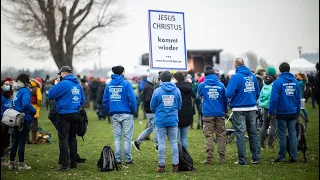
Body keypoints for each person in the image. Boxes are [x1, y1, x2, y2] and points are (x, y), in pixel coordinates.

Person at [48, 66, 86, 171]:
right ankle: (73, 162)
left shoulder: (62, 84)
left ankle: (65, 165)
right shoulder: (77, 84)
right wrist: (76, 106)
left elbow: (51, 95)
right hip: (75, 113)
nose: (60, 75)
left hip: (63, 114)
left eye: (60, 73)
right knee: (72, 138)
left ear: (64, 73)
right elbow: (83, 100)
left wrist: (55, 85)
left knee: (63, 139)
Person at [226, 58, 261, 165]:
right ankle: (256, 158)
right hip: (252, 108)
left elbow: (228, 93)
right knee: (253, 133)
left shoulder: (236, 77)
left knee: (240, 134)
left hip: (239, 109)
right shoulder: (252, 76)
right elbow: (257, 92)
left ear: (236, 66)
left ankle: (242, 160)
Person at [103, 66, 137, 165]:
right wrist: (133, 111)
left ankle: (117, 159)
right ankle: (128, 159)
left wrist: (110, 111)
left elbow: (105, 101)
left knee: (117, 137)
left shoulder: (109, 85)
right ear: (122, 73)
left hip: (115, 114)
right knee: (127, 137)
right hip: (127, 113)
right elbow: (132, 99)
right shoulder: (126, 84)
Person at [150, 71, 182, 173]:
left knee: (161, 143)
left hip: (161, 120)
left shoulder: (157, 91)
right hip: (173, 120)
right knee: (174, 143)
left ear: (161, 79)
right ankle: (175, 165)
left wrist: (159, 112)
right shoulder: (176, 90)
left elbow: (152, 106)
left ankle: (161, 166)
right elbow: (179, 105)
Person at [269, 62, 300, 163]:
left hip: (281, 113)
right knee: (293, 135)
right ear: (289, 69)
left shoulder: (278, 82)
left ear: (280, 70)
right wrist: (298, 112)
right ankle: (294, 156)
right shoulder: (295, 82)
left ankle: (281, 156)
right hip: (292, 112)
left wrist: (271, 111)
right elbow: (298, 99)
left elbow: (274, 99)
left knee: (282, 135)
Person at [198, 66, 228, 165]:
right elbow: (225, 99)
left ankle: (209, 158)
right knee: (221, 135)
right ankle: (222, 158)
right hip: (219, 113)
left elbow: (199, 96)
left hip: (207, 113)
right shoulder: (221, 85)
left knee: (208, 136)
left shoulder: (202, 85)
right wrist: (225, 109)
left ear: (205, 74)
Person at [9, 73, 37, 171]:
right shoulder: (25, 90)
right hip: (24, 118)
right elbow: (26, 104)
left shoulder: (16, 90)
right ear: (25, 80)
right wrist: (33, 110)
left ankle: (11, 163)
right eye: (28, 79)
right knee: (21, 142)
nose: (29, 81)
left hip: (15, 117)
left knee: (14, 142)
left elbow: (13, 103)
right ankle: (21, 164)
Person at [132, 72, 159, 151]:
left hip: (148, 110)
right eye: (156, 78)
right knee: (156, 128)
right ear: (153, 78)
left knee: (150, 128)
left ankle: (137, 142)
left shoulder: (148, 85)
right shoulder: (149, 87)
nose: (157, 79)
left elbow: (143, 97)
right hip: (151, 111)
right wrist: (156, 103)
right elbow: (148, 99)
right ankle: (158, 145)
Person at [173, 72, 195, 149]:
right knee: (184, 138)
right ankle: (185, 155)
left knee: (177, 138)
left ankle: (179, 156)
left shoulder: (175, 87)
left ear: (176, 79)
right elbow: (195, 95)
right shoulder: (189, 86)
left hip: (178, 112)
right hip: (187, 112)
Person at [258, 67, 277, 149]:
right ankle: (269, 144)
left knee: (265, 124)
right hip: (273, 107)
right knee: (273, 125)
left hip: (265, 106)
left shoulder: (263, 81)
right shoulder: (276, 82)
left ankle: (261, 144)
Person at [1, 79, 13, 166]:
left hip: (8, 121)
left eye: (8, 84)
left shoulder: (9, 96)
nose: (8, 86)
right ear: (1, 86)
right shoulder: (1, 97)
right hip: (2, 121)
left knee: (5, 140)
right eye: (5, 84)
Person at [28, 78, 43, 144]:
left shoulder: (28, 88)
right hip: (35, 108)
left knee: (27, 125)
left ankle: (26, 140)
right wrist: (38, 105)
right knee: (34, 126)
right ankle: (34, 140)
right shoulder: (37, 89)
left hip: (28, 107)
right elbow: (39, 99)